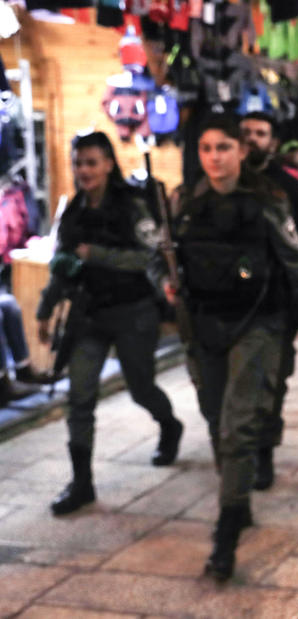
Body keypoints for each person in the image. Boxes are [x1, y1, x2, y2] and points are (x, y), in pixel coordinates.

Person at [168, 114, 298, 581]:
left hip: (258, 323)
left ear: (241, 150)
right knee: (217, 420)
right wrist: (166, 282)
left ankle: (226, 530)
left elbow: (297, 261)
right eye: (205, 148)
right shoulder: (185, 202)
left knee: (239, 427)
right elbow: (165, 257)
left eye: (223, 147)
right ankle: (236, 499)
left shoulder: (269, 200)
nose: (214, 157)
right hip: (205, 324)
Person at [36, 131, 183, 516]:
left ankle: (169, 425)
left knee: (141, 388)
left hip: (134, 312)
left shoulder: (132, 207)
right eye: (78, 163)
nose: (84, 170)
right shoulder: (73, 212)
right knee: (79, 396)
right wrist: (44, 310)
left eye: (91, 162)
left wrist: (97, 254)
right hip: (89, 316)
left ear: (108, 164)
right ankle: (81, 482)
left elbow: (148, 259)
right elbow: (62, 265)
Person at [239, 111, 298, 491]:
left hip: (277, 304)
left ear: (272, 140)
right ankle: (238, 449)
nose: (253, 138)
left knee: (271, 385)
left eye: (261, 133)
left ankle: (263, 452)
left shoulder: (288, 186)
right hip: (232, 305)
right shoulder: (221, 183)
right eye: (247, 132)